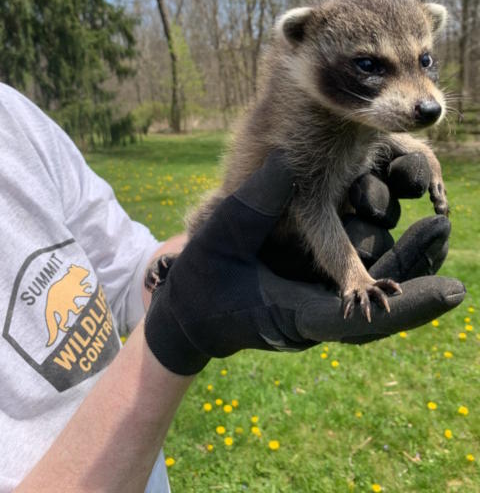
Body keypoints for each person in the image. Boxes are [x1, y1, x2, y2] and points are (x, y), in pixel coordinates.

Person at [0, 83, 464, 492]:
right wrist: (177, 329)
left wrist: (209, 259)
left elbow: (122, 269)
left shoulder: (13, 118)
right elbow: (309, 199)